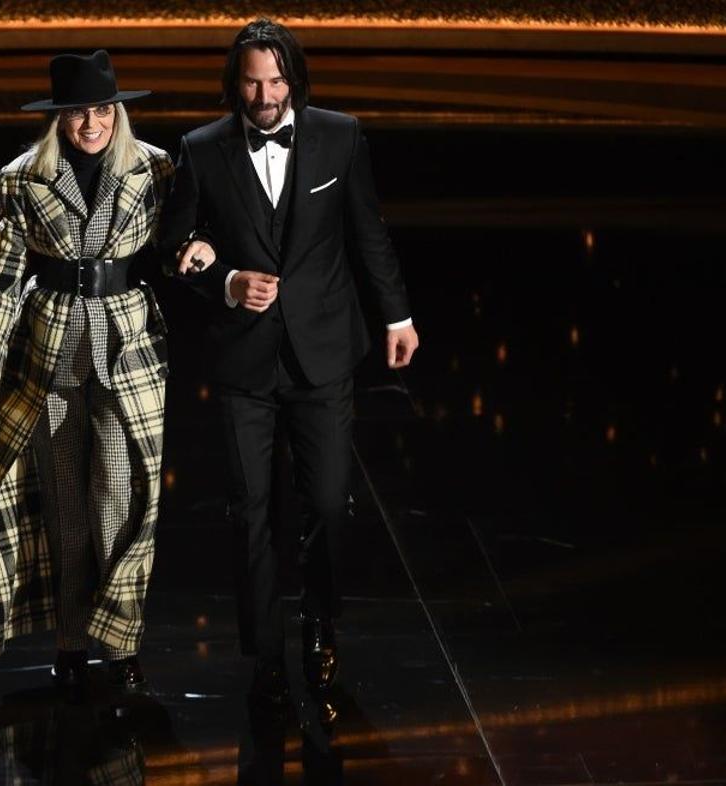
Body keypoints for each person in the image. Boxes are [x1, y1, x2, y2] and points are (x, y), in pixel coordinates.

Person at [158, 19, 420, 704]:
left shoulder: (341, 135)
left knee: (329, 503)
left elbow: (368, 230)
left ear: (294, 80)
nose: (264, 93)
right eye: (251, 80)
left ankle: (318, 624)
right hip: (245, 361)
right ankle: (265, 652)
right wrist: (223, 281)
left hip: (324, 350)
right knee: (249, 511)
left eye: (275, 80)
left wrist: (397, 314)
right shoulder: (202, 148)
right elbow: (175, 245)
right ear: (234, 82)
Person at [0, 49, 173, 694]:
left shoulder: (155, 169)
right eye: (78, 111)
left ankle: (123, 638)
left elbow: (187, 233)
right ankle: (71, 640)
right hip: (47, 356)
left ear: (118, 112)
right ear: (58, 119)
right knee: (64, 509)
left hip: (131, 352)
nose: (91, 123)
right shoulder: (22, 178)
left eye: (102, 109)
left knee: (124, 502)